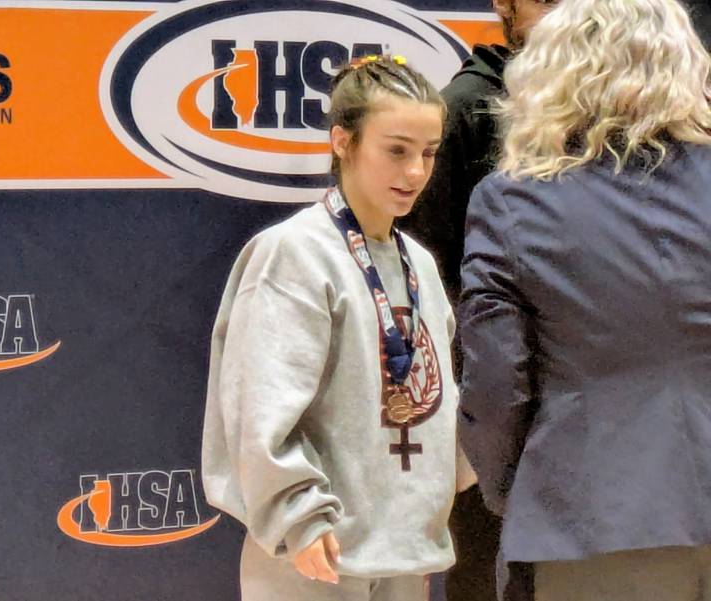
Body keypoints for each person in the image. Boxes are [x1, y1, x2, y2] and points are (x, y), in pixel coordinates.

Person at [458, 0, 711, 600]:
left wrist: (515, 493)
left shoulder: (512, 202)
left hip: (585, 519)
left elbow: (495, 382)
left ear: (550, 72)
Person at [202, 55, 473, 601]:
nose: (416, 172)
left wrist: (417, 526)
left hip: (400, 549)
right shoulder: (294, 253)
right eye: (396, 150)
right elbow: (260, 404)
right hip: (313, 553)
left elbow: (436, 408)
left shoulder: (418, 262)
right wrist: (298, 514)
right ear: (342, 142)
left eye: (428, 153)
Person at [402, 2, 558, 600]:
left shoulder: (601, 112)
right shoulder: (464, 110)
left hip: (576, 405)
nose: (561, 14)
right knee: (486, 577)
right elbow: (422, 281)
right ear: (503, 4)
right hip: (487, 408)